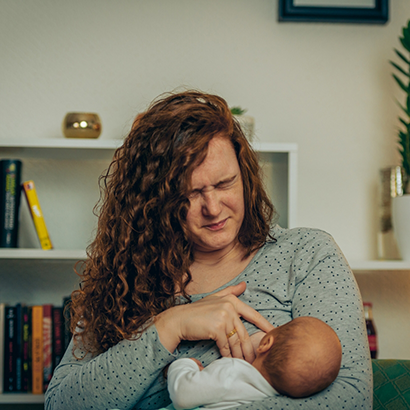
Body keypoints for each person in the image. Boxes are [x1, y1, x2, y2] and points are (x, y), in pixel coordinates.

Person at [45, 90, 372, 410]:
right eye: (190, 194)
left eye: (224, 183)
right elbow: (60, 404)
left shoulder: (307, 255)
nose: (213, 208)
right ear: (155, 202)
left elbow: (350, 399)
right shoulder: (121, 280)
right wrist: (168, 327)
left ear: (244, 175)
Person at [163, 316, 342, 410]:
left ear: (265, 344)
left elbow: (183, 396)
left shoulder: (232, 371)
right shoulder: (270, 397)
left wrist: (183, 365)